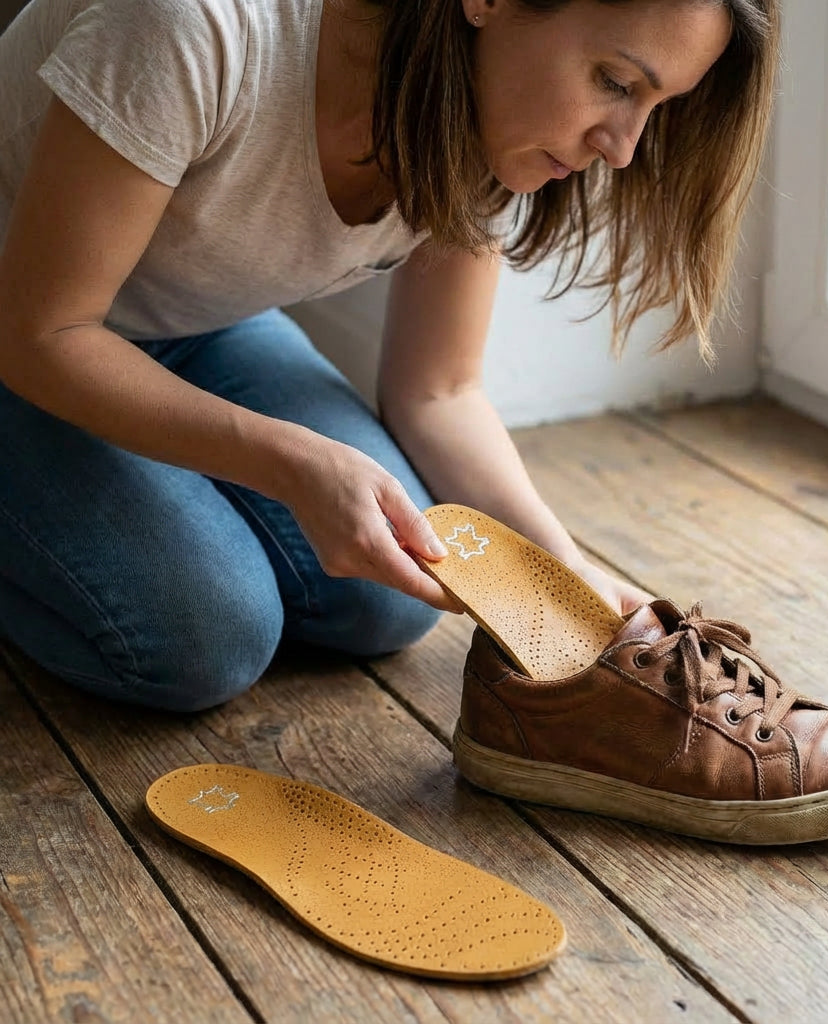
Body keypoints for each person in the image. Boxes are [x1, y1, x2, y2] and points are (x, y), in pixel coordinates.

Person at [0, 0, 778, 711]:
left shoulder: (485, 114)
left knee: (392, 595)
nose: (624, 149)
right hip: (32, 327)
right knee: (206, 638)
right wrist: (289, 463)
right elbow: (43, 335)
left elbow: (438, 391)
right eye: (615, 82)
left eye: (657, 105)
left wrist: (565, 573)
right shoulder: (191, 27)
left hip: (193, 319)